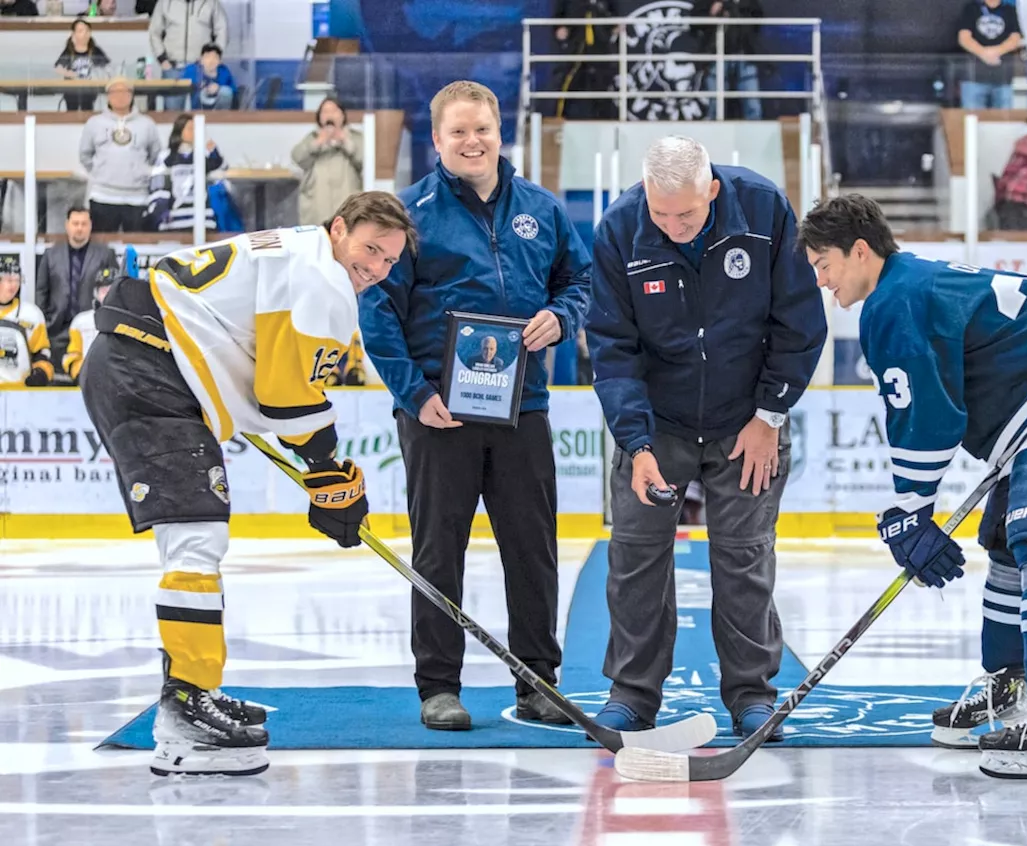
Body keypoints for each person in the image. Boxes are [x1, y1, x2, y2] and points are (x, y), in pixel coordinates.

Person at [797, 194, 1027, 779]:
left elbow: (927, 417)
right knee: (1005, 545)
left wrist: (913, 512)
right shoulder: (905, 285)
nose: (820, 281)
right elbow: (931, 410)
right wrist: (911, 512)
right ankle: (1013, 687)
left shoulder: (894, 301)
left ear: (859, 251)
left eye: (824, 265)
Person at [78, 191, 415, 776]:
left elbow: (269, 386)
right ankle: (185, 713)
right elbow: (288, 398)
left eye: (390, 259)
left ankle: (191, 692)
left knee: (196, 541)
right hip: (149, 368)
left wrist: (325, 473)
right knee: (197, 540)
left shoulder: (296, 250)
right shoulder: (323, 277)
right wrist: (330, 474)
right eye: (370, 249)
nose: (377, 268)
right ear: (339, 230)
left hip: (145, 361)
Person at [359, 81, 591, 732]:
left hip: (525, 408)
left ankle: (538, 682)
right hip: (440, 414)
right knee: (438, 550)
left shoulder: (541, 210)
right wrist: (417, 395)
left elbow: (582, 281)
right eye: (458, 131)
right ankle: (439, 685)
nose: (472, 141)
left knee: (532, 546)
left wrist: (561, 314)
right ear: (436, 140)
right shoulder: (407, 216)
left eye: (482, 128)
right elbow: (378, 315)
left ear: (500, 131)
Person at [586, 136, 826, 739]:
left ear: (712, 189)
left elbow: (799, 322)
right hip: (659, 426)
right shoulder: (619, 228)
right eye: (660, 214)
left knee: (743, 555)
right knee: (636, 555)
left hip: (746, 418)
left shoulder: (765, 210)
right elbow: (613, 352)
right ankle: (633, 694)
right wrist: (636, 446)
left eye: (686, 215)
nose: (672, 228)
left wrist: (770, 416)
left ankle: (751, 693)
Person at [34, 206, 118, 369]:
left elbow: (114, 291)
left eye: (84, 223)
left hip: (91, 330)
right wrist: (46, 321)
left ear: (90, 225)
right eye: (75, 223)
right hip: (57, 331)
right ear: (67, 225)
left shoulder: (106, 254)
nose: (79, 228)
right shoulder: (51, 255)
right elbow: (42, 291)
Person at [79, 78, 163, 233]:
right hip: (103, 196)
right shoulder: (94, 123)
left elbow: (155, 156)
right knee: (102, 249)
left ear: (132, 96)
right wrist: (101, 172)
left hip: (138, 197)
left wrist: (140, 171)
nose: (120, 96)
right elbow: (85, 155)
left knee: (138, 248)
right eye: (115, 92)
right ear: (107, 96)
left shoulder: (147, 124)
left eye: (125, 92)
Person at [145, 112, 243, 233]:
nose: (194, 132)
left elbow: (222, 170)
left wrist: (214, 153)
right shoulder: (166, 156)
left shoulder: (203, 154)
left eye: (196, 129)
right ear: (180, 131)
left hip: (203, 219)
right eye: (190, 129)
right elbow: (157, 184)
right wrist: (160, 210)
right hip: (175, 220)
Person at [292, 97, 364, 228]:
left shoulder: (356, 137)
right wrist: (317, 143)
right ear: (319, 117)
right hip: (318, 202)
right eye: (325, 112)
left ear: (343, 115)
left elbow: (365, 161)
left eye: (334, 111)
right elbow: (298, 158)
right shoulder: (312, 138)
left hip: (347, 199)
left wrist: (345, 142)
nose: (329, 115)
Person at [148, 0, 229, 111]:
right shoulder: (165, 2)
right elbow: (154, 32)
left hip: (201, 70)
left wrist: (214, 58)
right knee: (173, 113)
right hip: (173, 68)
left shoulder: (212, 3)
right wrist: (162, 59)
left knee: (203, 112)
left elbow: (222, 30)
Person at [692, 0, 763, 121]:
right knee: (715, 105)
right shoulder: (707, 3)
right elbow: (694, 22)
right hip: (716, 55)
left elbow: (758, 17)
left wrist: (733, 7)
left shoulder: (747, 3)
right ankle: (713, 136)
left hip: (744, 54)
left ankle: (755, 137)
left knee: (752, 105)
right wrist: (712, 14)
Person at [551, 0, 618, 120]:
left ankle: (606, 122)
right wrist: (559, 28)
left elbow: (614, 14)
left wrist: (615, 26)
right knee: (567, 83)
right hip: (576, 44)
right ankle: (558, 119)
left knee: (603, 87)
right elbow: (559, 15)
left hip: (600, 46)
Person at [956, 0, 1023, 110]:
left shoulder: (1009, 10)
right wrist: (983, 53)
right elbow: (964, 38)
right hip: (974, 78)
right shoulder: (971, 8)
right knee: (971, 119)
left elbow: (1015, 38)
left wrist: (995, 52)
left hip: (1003, 78)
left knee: (1004, 120)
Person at [0, 256, 54, 387]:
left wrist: (41, 373)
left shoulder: (32, 315)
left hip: (20, 392)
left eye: (17, 280)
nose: (13, 285)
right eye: (8, 280)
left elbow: (42, 354)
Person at [62, 269, 115, 384]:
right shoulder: (80, 321)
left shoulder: (127, 322)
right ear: (96, 293)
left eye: (112, 290)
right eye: (104, 291)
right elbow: (72, 355)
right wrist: (79, 373)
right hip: (86, 383)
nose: (108, 295)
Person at [55, 18, 112, 112]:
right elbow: (58, 67)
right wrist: (68, 73)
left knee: (88, 111)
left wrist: (100, 76)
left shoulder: (94, 50)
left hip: (89, 90)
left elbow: (107, 67)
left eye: (87, 31)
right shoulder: (69, 51)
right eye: (81, 31)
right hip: (71, 91)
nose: (84, 34)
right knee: (71, 113)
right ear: (74, 34)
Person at [182, 42, 236, 110]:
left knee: (226, 91)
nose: (211, 61)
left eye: (215, 58)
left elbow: (233, 91)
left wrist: (218, 88)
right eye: (207, 57)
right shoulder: (191, 70)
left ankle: (222, 118)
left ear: (220, 61)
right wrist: (200, 87)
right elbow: (181, 86)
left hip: (217, 110)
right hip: (195, 109)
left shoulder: (224, 72)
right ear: (201, 60)